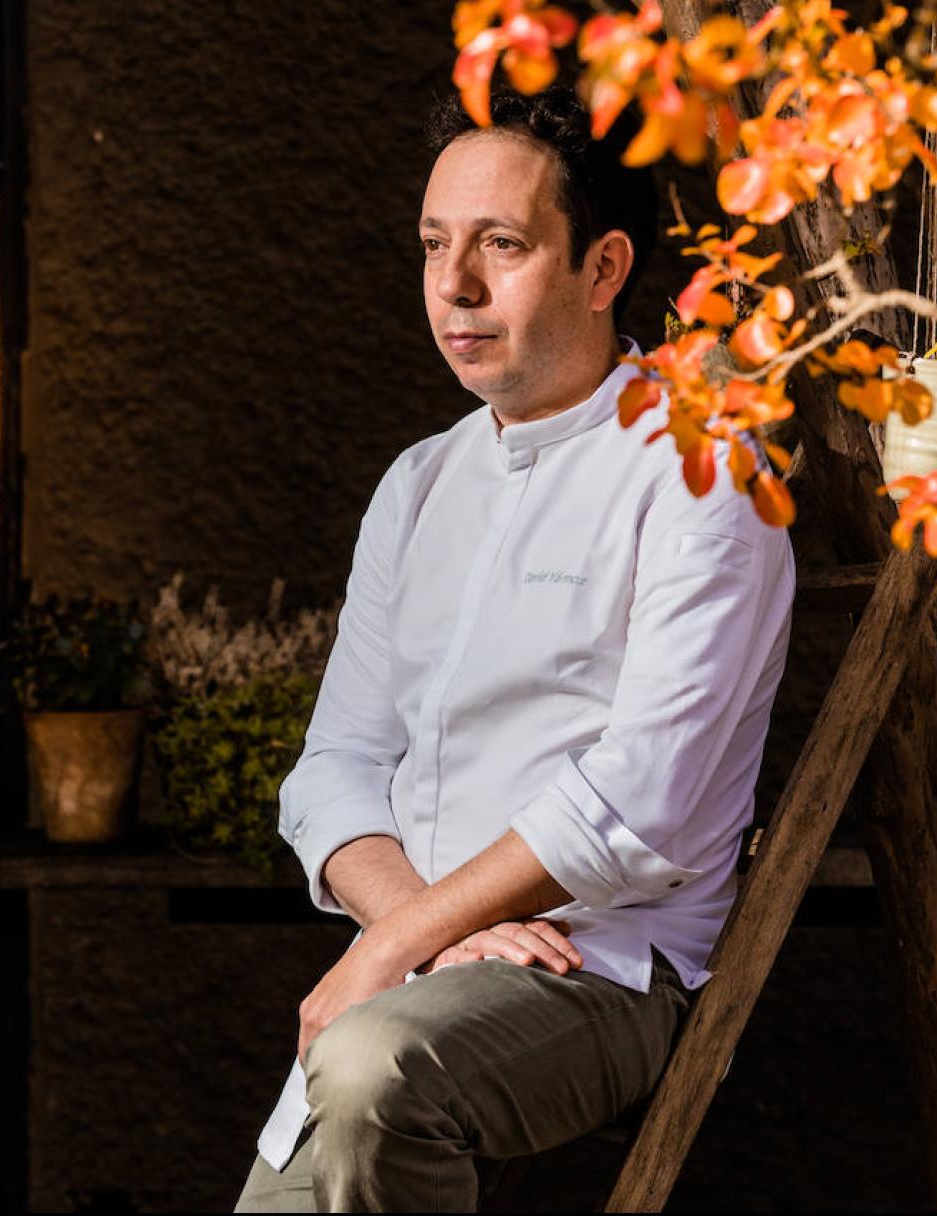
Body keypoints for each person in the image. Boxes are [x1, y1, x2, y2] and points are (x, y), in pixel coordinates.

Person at [232, 84, 796, 1212]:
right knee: (352, 1075)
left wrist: (400, 947)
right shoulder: (421, 482)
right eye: (436, 245)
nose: (456, 286)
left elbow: (640, 803)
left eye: (502, 244)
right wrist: (424, 934)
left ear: (602, 268)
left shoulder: (701, 470)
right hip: (431, 965)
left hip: (608, 970)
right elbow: (332, 772)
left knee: (366, 1066)